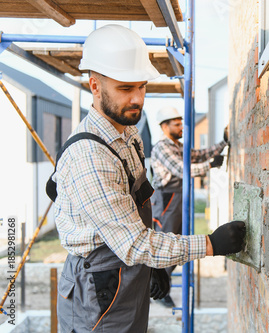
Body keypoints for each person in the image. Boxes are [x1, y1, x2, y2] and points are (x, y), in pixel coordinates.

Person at [49, 24, 245, 332]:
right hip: (98, 283)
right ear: (95, 86)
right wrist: (209, 244)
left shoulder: (128, 134)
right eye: (126, 89)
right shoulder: (90, 156)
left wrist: (152, 267)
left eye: (141, 86)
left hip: (125, 266)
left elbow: (133, 230)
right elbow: (134, 245)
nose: (138, 98)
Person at [150, 106, 228, 307]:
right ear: (164, 126)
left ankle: (162, 284)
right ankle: (156, 287)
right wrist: (210, 165)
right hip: (167, 199)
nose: (181, 127)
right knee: (166, 242)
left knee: (177, 241)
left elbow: (199, 154)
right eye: (176, 124)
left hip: (177, 198)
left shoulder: (177, 145)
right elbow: (182, 169)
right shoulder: (162, 147)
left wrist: (223, 143)